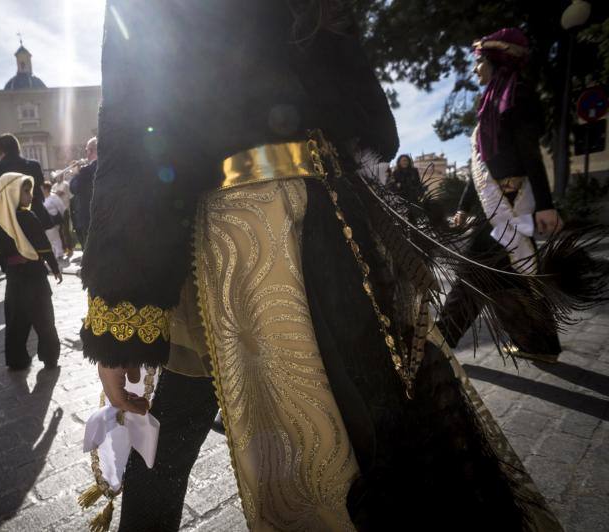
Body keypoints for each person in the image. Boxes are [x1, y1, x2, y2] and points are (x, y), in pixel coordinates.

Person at [80, 3, 561, 531]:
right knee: (388, 434)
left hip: (233, 234)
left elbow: (136, 125)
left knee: (189, 438)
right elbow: (374, 124)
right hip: (336, 217)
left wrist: (123, 314)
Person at [437, 28, 563, 364]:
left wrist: (546, 206)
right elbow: (479, 168)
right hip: (492, 206)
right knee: (509, 278)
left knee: (472, 276)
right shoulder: (489, 105)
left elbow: (530, 153)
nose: (474, 69)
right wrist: (464, 208)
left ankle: (439, 346)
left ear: (495, 60)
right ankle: (542, 344)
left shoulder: (517, 95)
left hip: (512, 205)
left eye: (478, 63)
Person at [0, 172, 62, 371]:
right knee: (44, 319)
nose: (31, 195)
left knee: (16, 321)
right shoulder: (27, 216)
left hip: (15, 279)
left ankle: (16, 359)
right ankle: (50, 357)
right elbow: (43, 246)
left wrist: (9, 261)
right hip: (34, 276)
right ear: (12, 193)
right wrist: (54, 267)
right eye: (26, 191)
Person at [0, 134, 53, 281]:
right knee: (37, 250)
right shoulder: (32, 165)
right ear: (17, 147)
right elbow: (39, 186)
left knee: (12, 260)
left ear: (1, 150)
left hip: (7, 222)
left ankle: (18, 288)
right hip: (33, 217)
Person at [69, 137, 97, 248]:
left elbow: (74, 188)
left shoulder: (86, 171)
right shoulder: (106, 166)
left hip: (88, 218)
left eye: (86, 151)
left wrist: (76, 173)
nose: (86, 154)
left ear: (90, 151)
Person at [41, 180, 67, 260]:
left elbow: (61, 207)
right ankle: (54, 254)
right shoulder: (42, 198)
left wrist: (59, 217)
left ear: (46, 189)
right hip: (45, 221)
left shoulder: (53, 197)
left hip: (54, 220)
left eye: (42, 188)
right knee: (49, 238)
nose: (40, 190)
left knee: (55, 237)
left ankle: (59, 254)